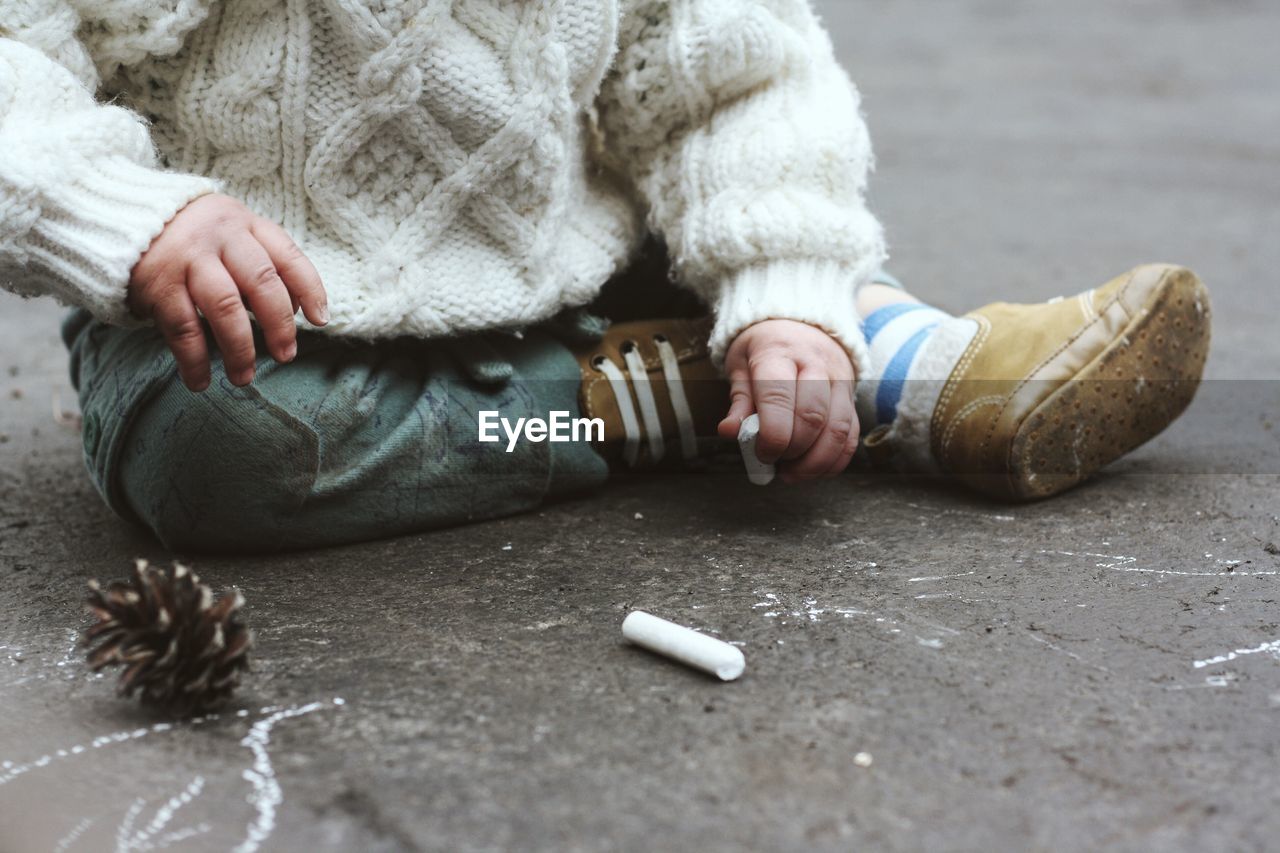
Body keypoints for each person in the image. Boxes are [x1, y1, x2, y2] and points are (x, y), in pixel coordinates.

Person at [0, 1, 1210, 553]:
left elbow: (730, 82)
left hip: (571, 249)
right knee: (217, 451)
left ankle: (862, 346)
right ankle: (662, 398)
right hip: (240, 302)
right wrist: (125, 215)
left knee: (767, 275)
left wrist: (784, 282)